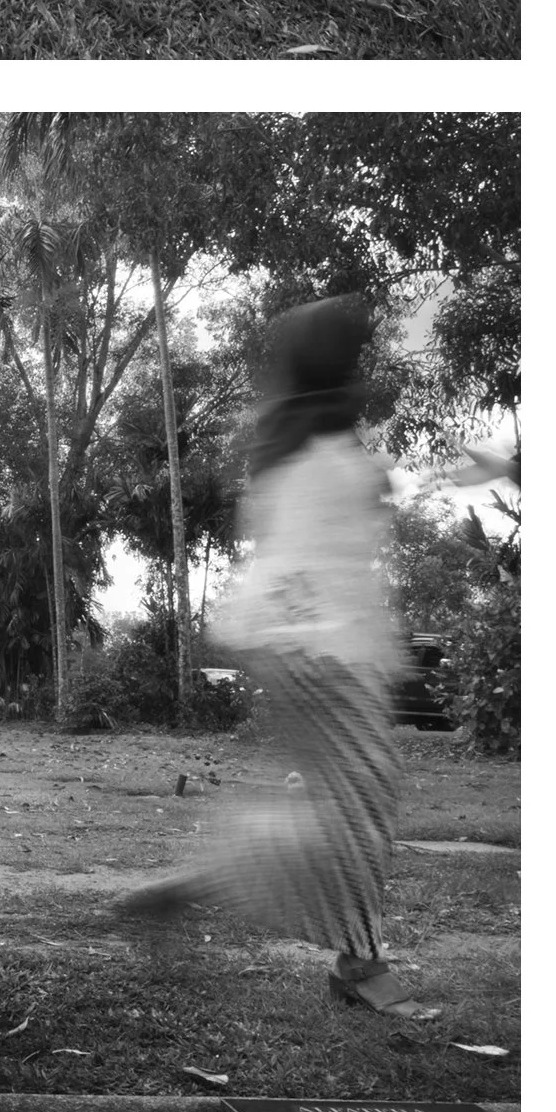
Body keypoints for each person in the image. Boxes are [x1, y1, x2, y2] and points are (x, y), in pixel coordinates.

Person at [117, 299, 412, 1008]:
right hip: (329, 650)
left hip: (290, 644)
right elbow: (348, 541)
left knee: (348, 803)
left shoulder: (286, 441)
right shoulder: (332, 452)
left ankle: (231, 889)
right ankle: (345, 955)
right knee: (361, 804)